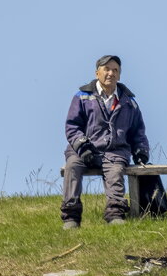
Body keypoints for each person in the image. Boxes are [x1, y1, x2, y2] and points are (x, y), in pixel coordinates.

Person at [61, 55, 150, 229]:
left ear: (120, 74)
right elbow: (72, 126)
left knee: (115, 173)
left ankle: (115, 214)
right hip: (84, 150)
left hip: (115, 152)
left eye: (115, 70)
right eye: (107, 69)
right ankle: (71, 217)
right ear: (97, 73)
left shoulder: (129, 102)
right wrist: (82, 146)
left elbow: (138, 131)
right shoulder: (82, 97)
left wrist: (141, 150)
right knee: (72, 168)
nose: (111, 73)